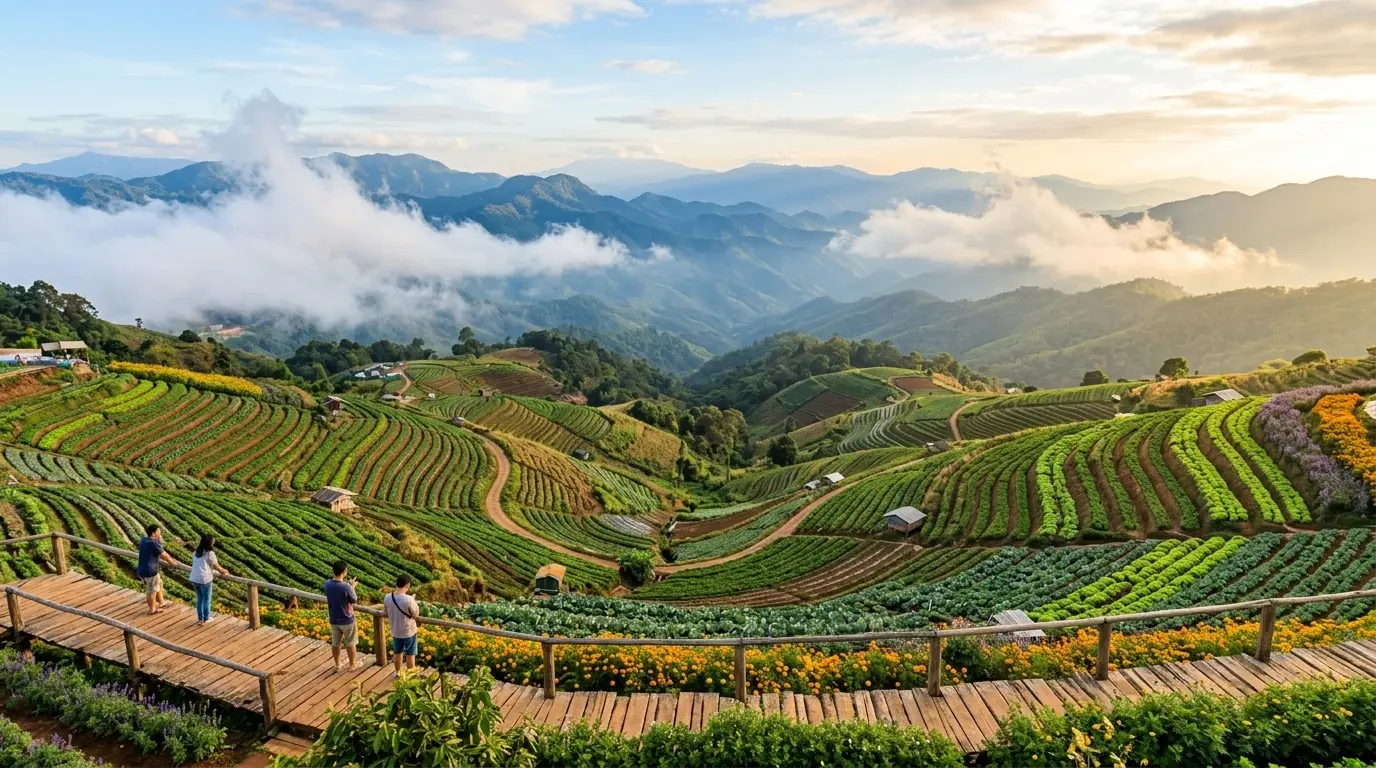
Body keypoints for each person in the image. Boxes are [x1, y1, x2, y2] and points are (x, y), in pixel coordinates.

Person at [323, 560, 359, 671]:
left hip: (334, 618)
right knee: (351, 642)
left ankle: (337, 665)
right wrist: (352, 586)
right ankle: (352, 665)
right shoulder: (346, 587)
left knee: (336, 643)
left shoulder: (327, 584)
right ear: (344, 571)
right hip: (347, 619)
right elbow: (354, 599)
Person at [136, 524, 178, 615]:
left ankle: (162, 602)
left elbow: (157, 546)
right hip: (150, 570)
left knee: (159, 583)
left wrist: (158, 538)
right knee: (152, 590)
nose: (160, 532)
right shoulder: (153, 543)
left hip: (142, 568)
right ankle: (152, 609)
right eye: (158, 531)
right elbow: (164, 555)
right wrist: (172, 563)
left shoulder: (144, 540)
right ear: (154, 533)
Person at [384, 574, 420, 676]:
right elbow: (416, 614)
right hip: (408, 631)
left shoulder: (387, 597)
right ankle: (410, 676)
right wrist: (413, 600)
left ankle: (398, 673)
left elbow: (385, 613)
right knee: (410, 654)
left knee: (397, 653)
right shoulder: (408, 599)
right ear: (407, 585)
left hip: (395, 631)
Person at [189, 534, 229, 626]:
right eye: (213, 540)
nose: (214, 541)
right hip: (204, 579)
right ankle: (206, 618)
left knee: (199, 599)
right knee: (206, 599)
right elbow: (218, 567)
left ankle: (200, 619)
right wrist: (224, 571)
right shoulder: (210, 554)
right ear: (210, 542)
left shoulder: (196, 552)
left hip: (194, 578)